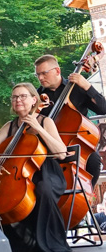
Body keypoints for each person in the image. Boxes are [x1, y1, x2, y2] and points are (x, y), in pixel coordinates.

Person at [0, 82, 69, 252]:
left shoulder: (45, 121)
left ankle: (51, 241)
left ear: (34, 100)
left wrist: (38, 128)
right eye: (15, 97)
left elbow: (61, 153)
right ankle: (21, 242)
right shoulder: (9, 126)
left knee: (42, 189)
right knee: (5, 195)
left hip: (46, 173)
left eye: (23, 96)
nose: (18, 100)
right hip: (18, 174)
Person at [35, 54, 106, 185]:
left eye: (44, 73)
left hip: (77, 144)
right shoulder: (37, 96)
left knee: (94, 161)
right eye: (37, 75)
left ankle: (86, 197)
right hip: (49, 147)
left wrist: (87, 87)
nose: (40, 78)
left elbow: (104, 109)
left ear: (57, 71)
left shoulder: (76, 88)